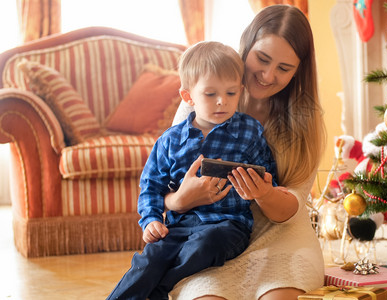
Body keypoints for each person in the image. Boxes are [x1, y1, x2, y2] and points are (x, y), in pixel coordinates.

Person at [166, 4, 327, 300]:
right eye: (262, 59)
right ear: (246, 45)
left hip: (282, 238)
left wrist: (265, 195)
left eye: (284, 68)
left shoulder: (306, 117)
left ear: (298, 70)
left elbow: (293, 206)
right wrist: (180, 200)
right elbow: (164, 189)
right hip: (210, 237)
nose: (267, 75)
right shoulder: (202, 98)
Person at [107, 41, 278, 300]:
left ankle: (162, 288)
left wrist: (263, 186)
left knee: (205, 245)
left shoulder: (249, 131)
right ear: (189, 97)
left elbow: (269, 175)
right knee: (149, 259)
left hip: (228, 226)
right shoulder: (170, 140)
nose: (222, 102)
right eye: (210, 95)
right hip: (179, 226)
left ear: (241, 91)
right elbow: (151, 186)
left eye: (231, 93)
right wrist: (151, 220)